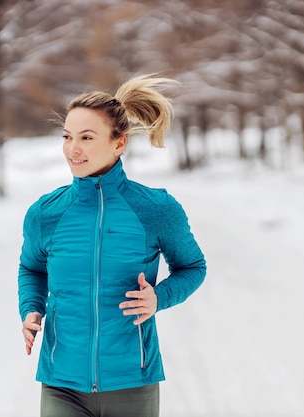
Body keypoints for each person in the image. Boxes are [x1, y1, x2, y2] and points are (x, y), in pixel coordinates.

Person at [18, 74, 207, 417]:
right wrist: (31, 308)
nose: (73, 149)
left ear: (118, 144)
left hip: (132, 380)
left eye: (87, 138)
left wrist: (158, 297)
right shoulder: (46, 213)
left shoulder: (155, 209)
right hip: (62, 382)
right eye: (67, 137)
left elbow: (193, 267)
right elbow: (31, 267)